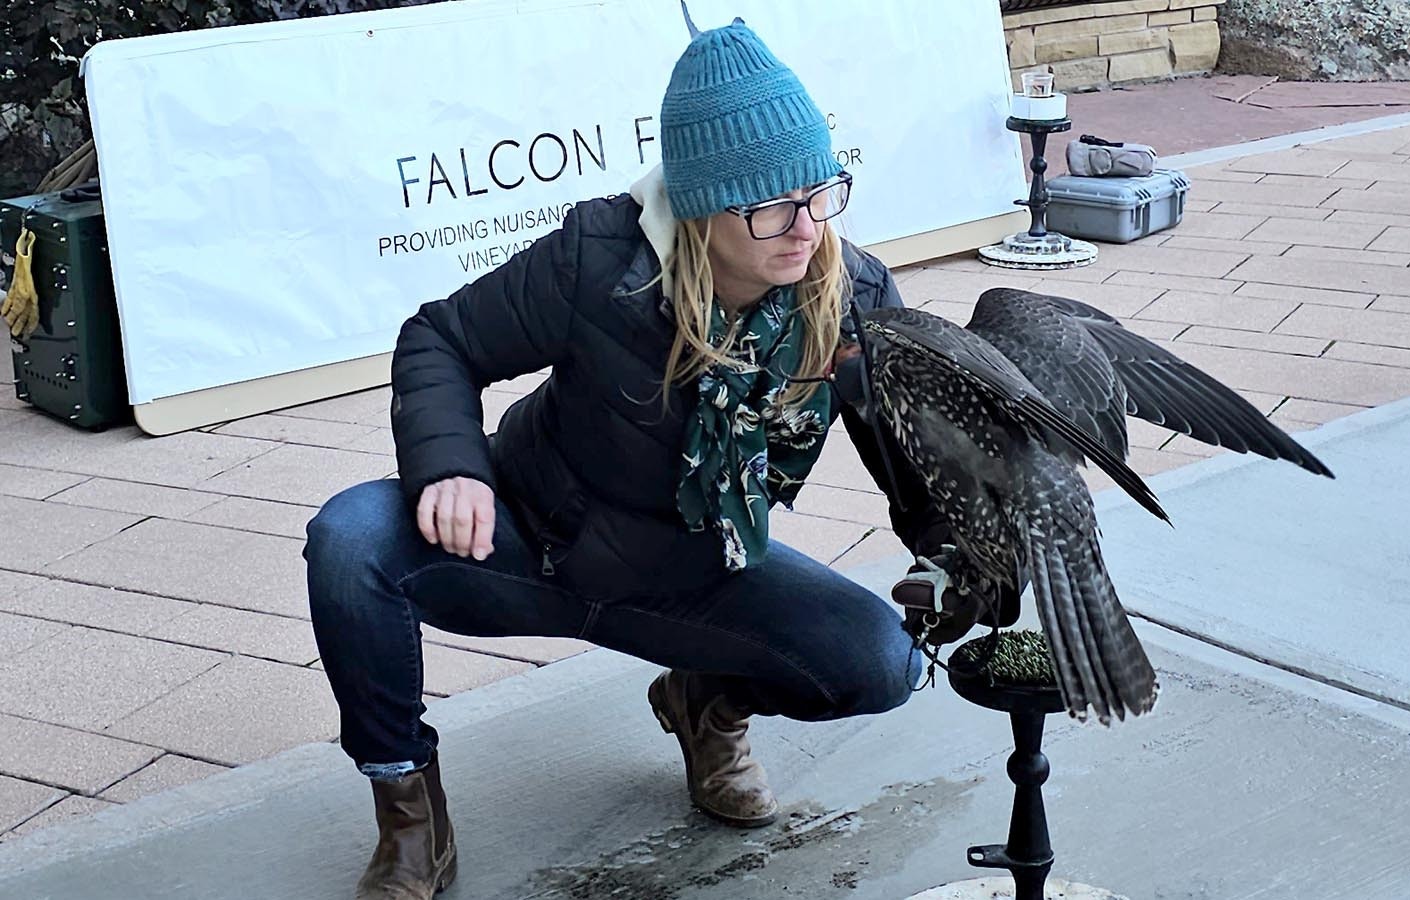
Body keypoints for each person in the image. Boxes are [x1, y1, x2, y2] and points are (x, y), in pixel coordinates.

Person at [303, 19, 953, 899]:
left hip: (699, 572)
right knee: (350, 542)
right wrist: (450, 467)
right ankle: (411, 815)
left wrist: (958, 550)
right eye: (769, 205)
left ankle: (705, 705)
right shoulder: (598, 257)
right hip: (528, 543)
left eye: (820, 193)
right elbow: (439, 340)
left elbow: (910, 464)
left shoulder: (853, 298)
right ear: (699, 204)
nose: (803, 229)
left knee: (881, 661)